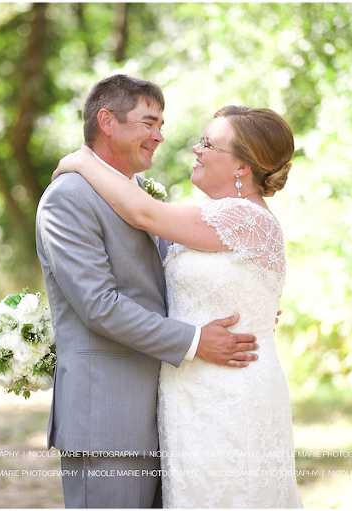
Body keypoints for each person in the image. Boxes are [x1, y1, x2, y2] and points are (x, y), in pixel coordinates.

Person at [53, 105, 303, 508]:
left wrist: (81, 161)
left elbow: (141, 211)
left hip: (231, 392)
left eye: (209, 144)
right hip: (187, 391)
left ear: (242, 166)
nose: (195, 148)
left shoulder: (245, 218)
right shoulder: (209, 218)